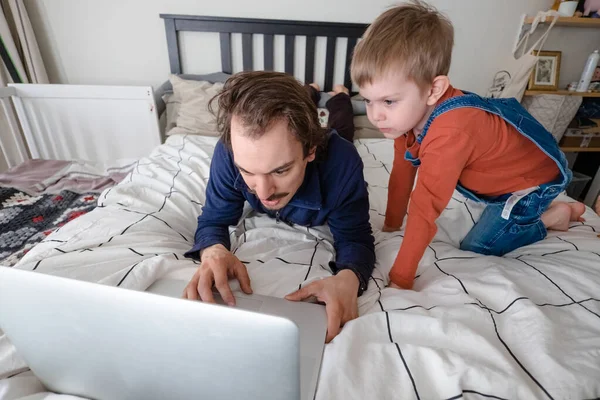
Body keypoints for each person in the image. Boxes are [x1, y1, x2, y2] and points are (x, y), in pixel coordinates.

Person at [350, 0, 585, 290]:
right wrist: (392, 224)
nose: (376, 115)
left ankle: (555, 215)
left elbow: (425, 207)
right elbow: (402, 170)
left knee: (478, 246)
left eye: (388, 101)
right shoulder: (404, 118)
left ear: (434, 89)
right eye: (367, 100)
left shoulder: (451, 131)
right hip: (502, 177)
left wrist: (400, 279)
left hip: (529, 185)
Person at [182, 71, 375, 342]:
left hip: (330, 143)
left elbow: (356, 237)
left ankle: (340, 96)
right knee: (301, 104)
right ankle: (310, 90)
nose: (263, 192)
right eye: (247, 171)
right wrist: (213, 249)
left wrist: (350, 277)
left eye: (280, 170)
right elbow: (214, 218)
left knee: (342, 126)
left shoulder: (341, 161)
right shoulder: (227, 153)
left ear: (310, 151)